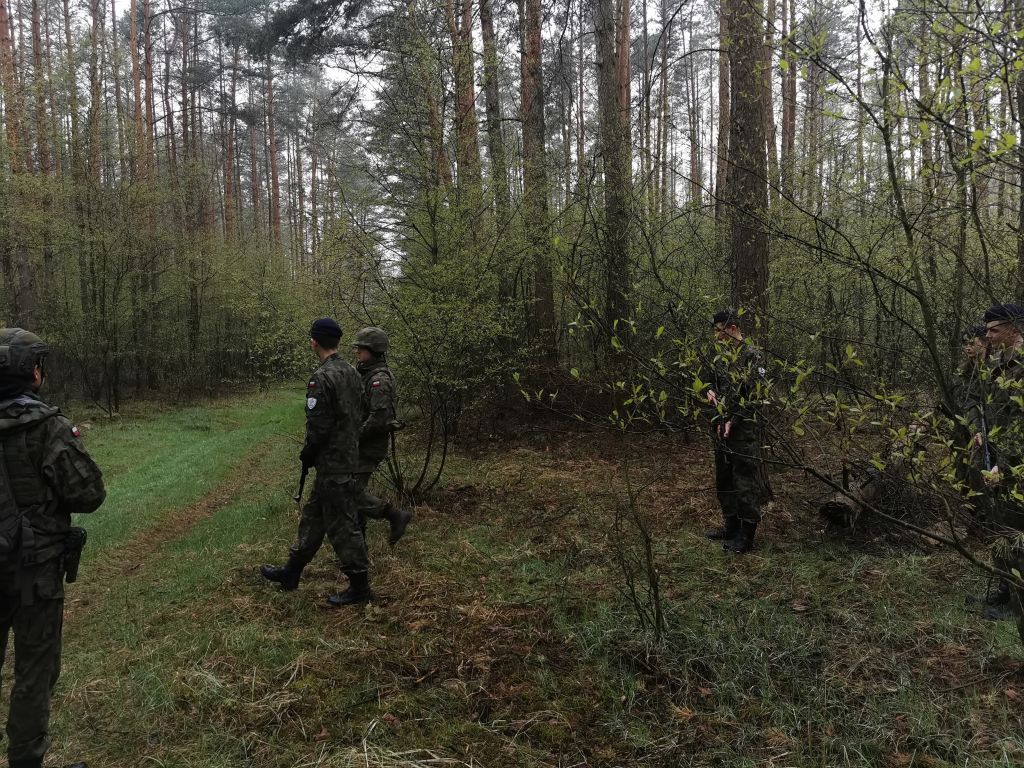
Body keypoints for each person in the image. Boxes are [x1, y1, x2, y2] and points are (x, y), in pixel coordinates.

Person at [0, 328, 106, 768]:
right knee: (34, 670)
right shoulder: (48, 428)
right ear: (32, 372)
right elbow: (90, 494)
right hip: (34, 572)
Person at [260, 319, 372, 607]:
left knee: (342, 525)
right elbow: (362, 411)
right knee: (313, 517)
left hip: (333, 462)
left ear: (314, 342)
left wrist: (309, 452)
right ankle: (291, 572)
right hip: (347, 456)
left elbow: (319, 425)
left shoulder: (321, 377)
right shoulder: (352, 372)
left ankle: (360, 586)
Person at [968, 305, 1024, 626]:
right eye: (986, 330)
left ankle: (1018, 605)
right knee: (1000, 526)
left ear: (1014, 327)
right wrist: (983, 435)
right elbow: (995, 410)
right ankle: (1005, 591)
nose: (987, 335)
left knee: (1017, 531)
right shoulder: (1001, 363)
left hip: (1016, 465)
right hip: (999, 458)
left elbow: (1019, 422)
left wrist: (1004, 465)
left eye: (994, 329)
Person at [703, 310, 773, 554]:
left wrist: (734, 419)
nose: (716, 336)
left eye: (719, 330)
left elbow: (756, 396)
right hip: (720, 426)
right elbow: (709, 381)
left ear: (732, 328)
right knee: (724, 478)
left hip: (744, 429)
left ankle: (746, 535)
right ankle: (731, 526)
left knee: (744, 479)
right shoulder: (720, 356)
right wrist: (709, 392)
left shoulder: (753, 356)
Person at [349, 327, 411, 549]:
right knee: (352, 495)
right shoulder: (365, 374)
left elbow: (379, 418)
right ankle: (357, 550)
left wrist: (353, 437)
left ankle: (394, 515)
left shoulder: (379, 379)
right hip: (360, 444)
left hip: (368, 446)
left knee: (349, 492)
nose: (357, 352)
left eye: (362, 348)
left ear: (374, 350)